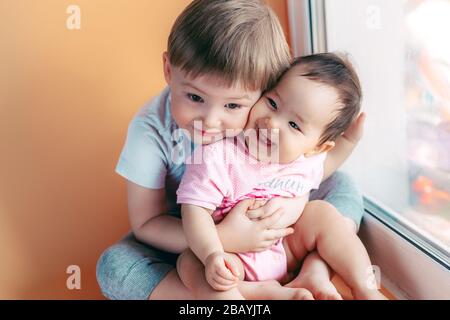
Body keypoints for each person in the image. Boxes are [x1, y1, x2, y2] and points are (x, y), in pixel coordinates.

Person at [96, 0, 365, 300]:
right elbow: (146, 224)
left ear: (266, 88)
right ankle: (239, 297)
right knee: (115, 265)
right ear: (169, 70)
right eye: (195, 97)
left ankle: (314, 270)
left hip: (276, 239)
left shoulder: (269, 127)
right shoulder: (150, 131)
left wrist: (294, 203)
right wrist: (223, 239)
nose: (211, 121)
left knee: (342, 187)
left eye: (234, 105)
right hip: (189, 241)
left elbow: (309, 169)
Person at [177, 53, 386, 300]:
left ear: (316, 147)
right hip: (234, 259)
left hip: (284, 249)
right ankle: (260, 293)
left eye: (294, 125)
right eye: (273, 103)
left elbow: (331, 161)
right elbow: (194, 210)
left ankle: (366, 288)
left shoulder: (303, 161)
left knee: (322, 214)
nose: (273, 123)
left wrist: (351, 139)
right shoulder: (218, 156)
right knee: (189, 262)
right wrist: (212, 254)